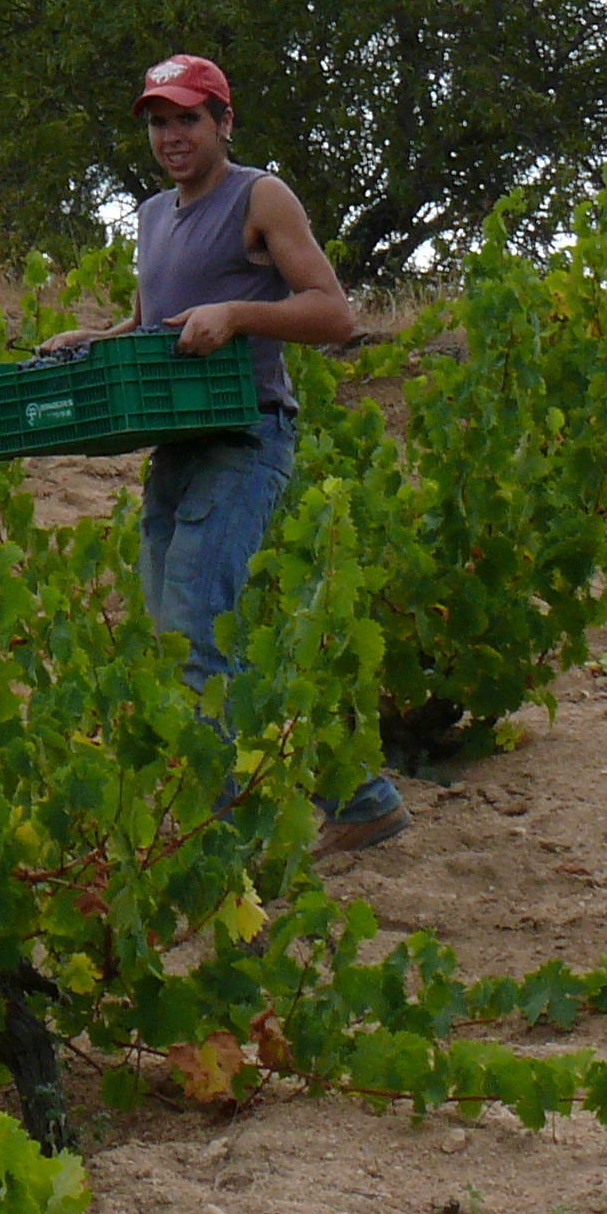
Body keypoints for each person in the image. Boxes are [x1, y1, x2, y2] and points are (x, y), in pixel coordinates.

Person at [98, 52, 408, 856]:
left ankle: (222, 842)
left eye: (188, 120)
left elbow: (334, 314)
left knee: (199, 636)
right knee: (183, 642)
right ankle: (359, 796)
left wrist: (238, 313)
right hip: (179, 445)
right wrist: (91, 342)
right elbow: (155, 323)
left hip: (246, 436)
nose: (171, 136)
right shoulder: (152, 215)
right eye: (159, 122)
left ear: (224, 123)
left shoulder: (259, 196)